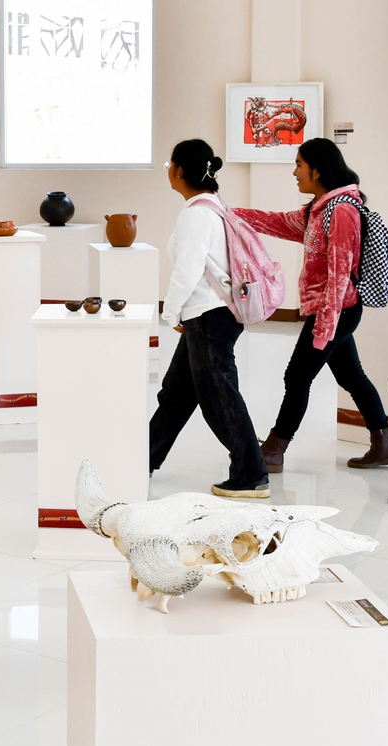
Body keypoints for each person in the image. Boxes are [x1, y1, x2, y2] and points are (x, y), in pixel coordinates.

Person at [233, 138, 388, 473]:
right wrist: (228, 214)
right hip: (330, 311)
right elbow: (279, 222)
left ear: (318, 170)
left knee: (296, 376)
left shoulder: (341, 212)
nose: (294, 172)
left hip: (335, 311)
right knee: (352, 376)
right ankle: (385, 443)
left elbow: (339, 274)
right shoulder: (319, 209)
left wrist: (324, 329)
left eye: (299, 165)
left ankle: (274, 449)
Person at [149, 140, 269, 497]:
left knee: (219, 396)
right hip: (210, 315)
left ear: (179, 170)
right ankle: (143, 459)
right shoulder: (214, 205)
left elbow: (188, 269)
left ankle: (251, 473)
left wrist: (169, 311)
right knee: (176, 394)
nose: (168, 170)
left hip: (209, 316)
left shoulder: (196, 214)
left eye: (169, 165)